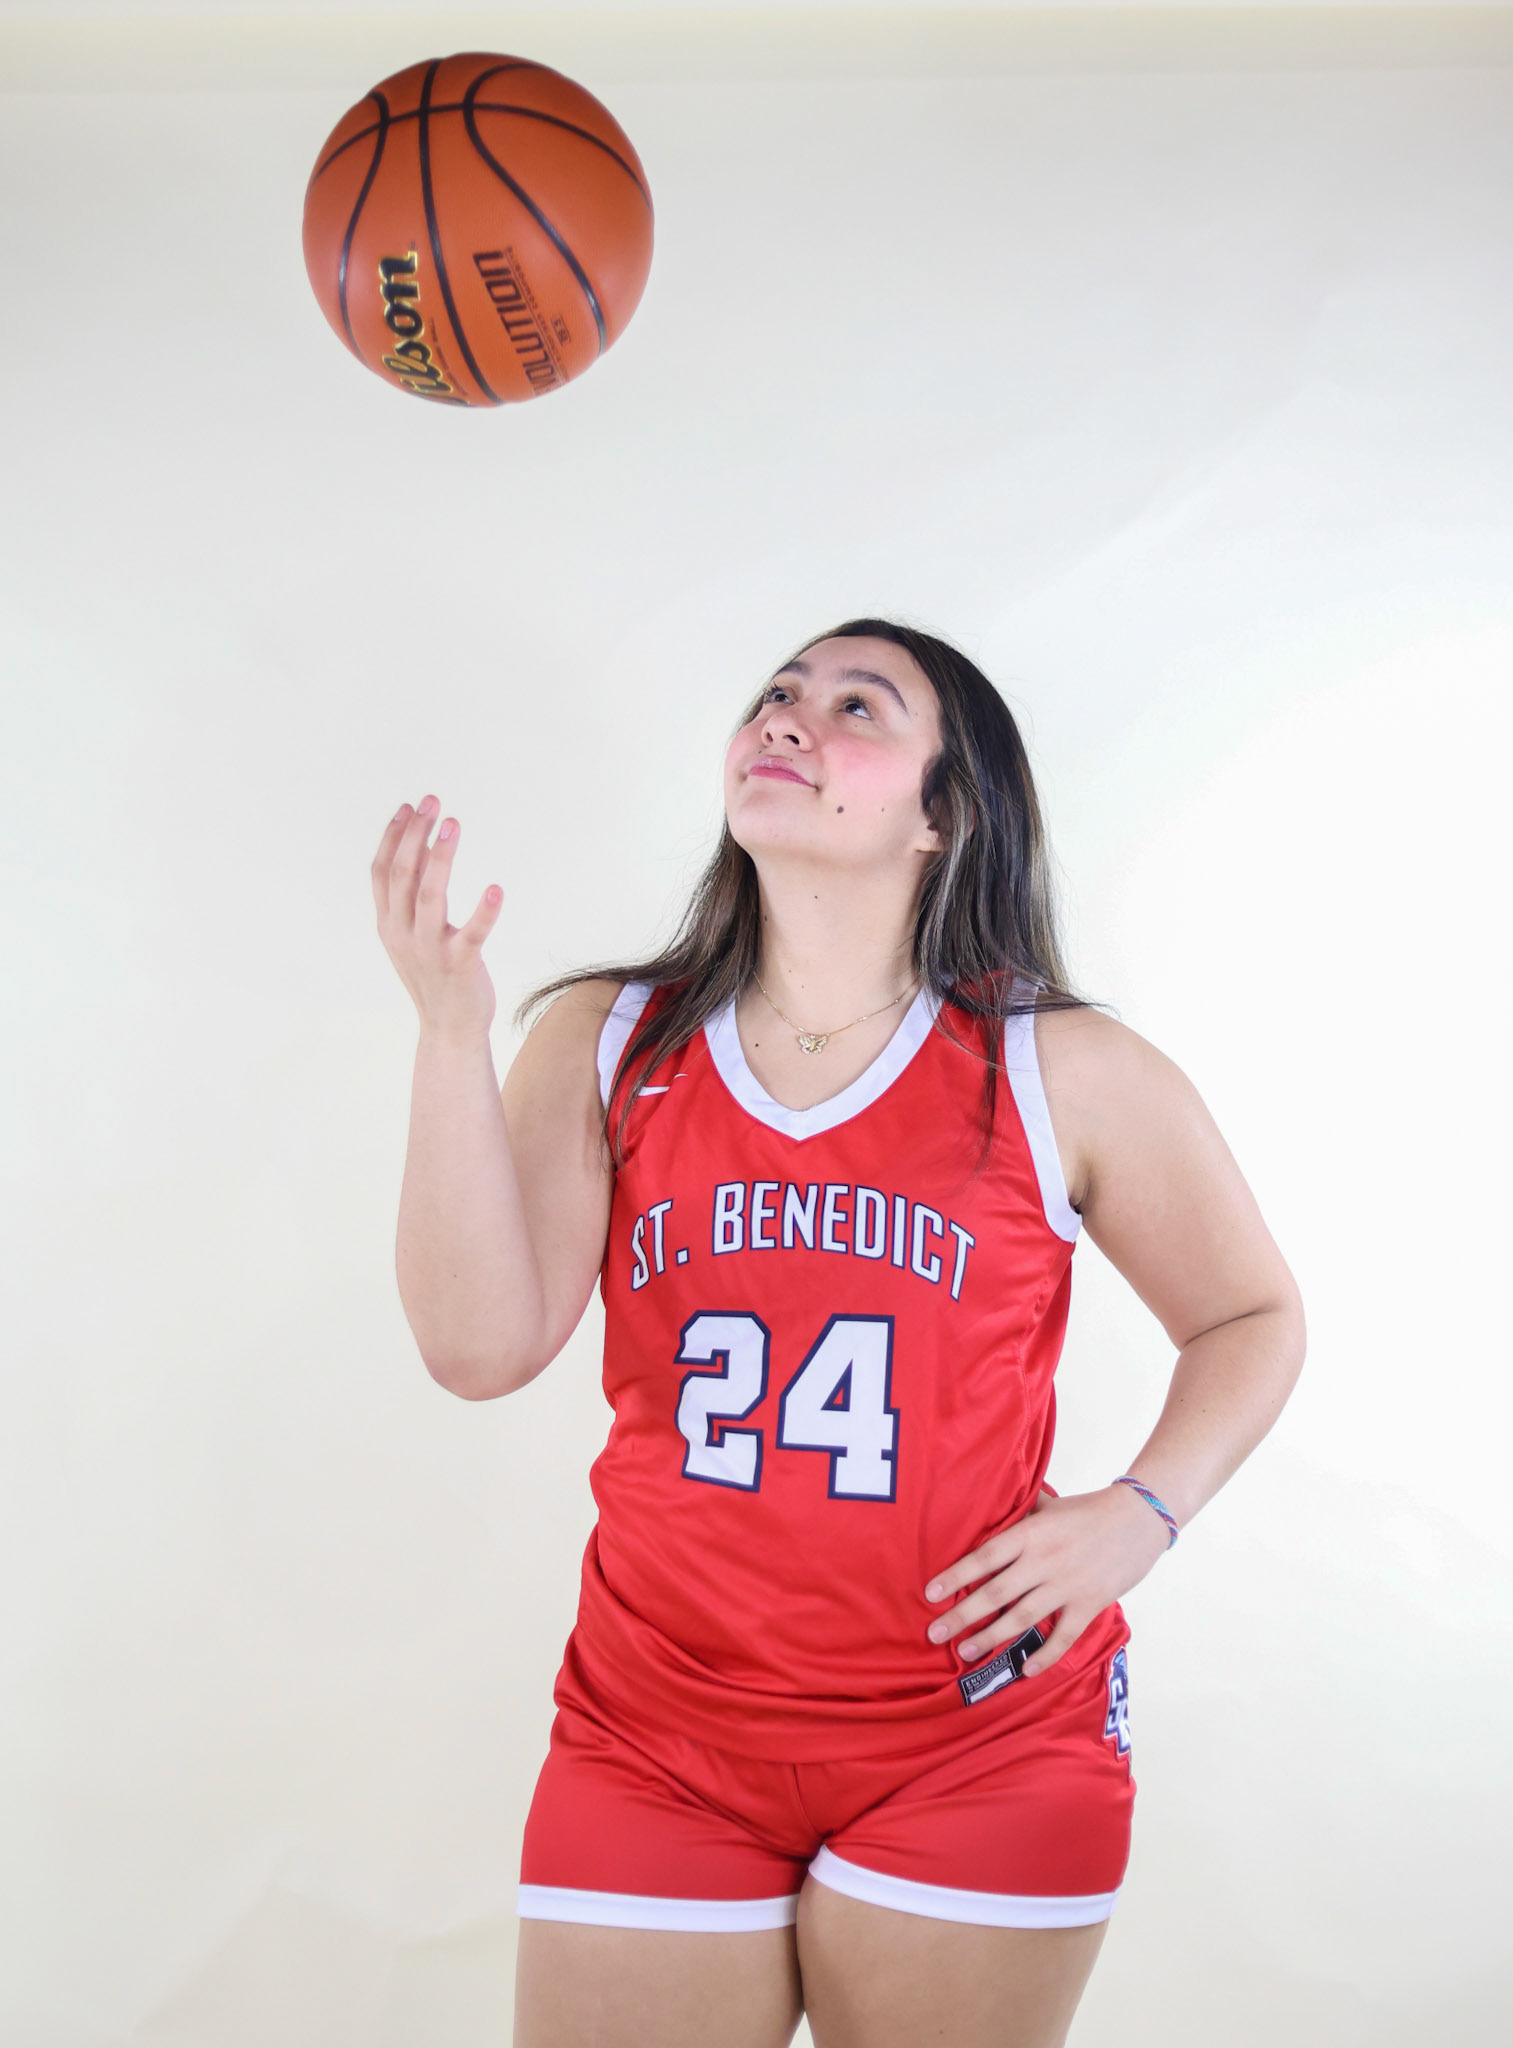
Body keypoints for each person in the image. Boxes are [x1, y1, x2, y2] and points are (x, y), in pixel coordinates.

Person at [373, 618, 1306, 2048]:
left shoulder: (1062, 1068)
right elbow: (477, 1349)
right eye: (775, 695)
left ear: (942, 813)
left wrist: (1141, 1514)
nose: (789, 719)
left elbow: (1251, 1316)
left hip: (975, 1733)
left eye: (856, 706)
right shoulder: (611, 1040)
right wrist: (449, 1035)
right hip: (657, 1727)